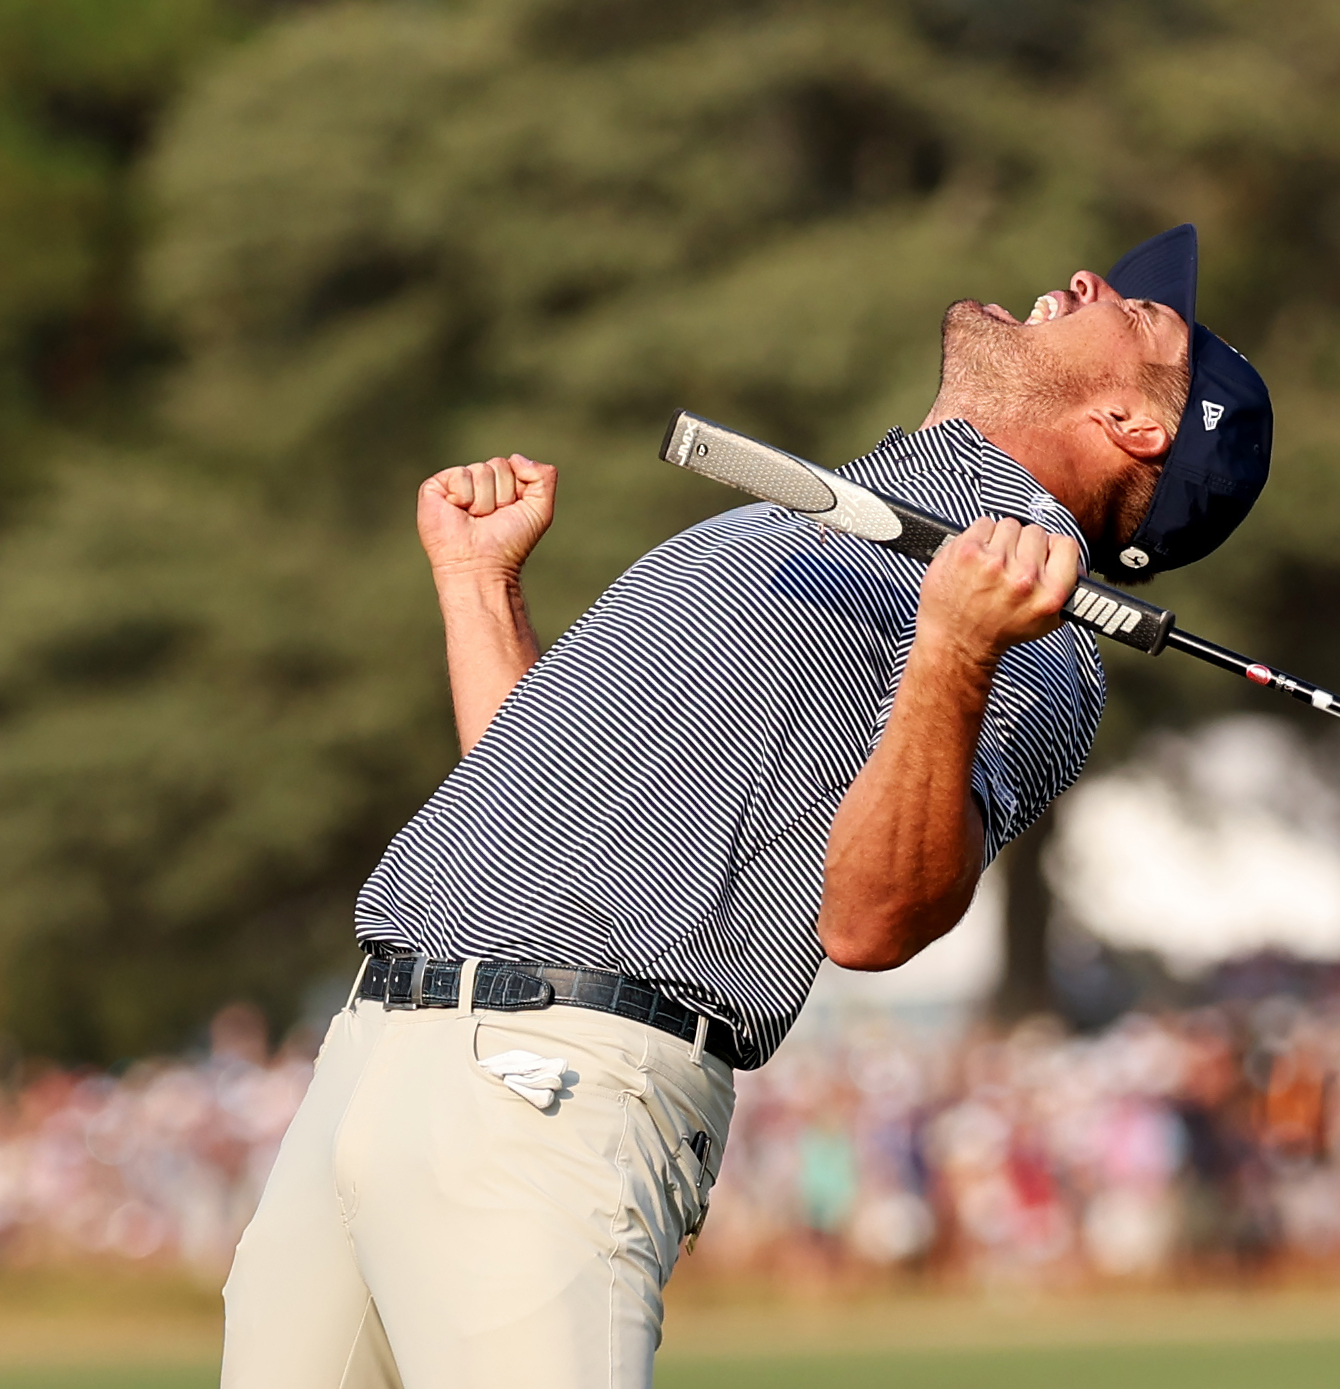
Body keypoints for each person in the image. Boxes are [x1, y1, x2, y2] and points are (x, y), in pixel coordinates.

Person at [219, 224, 1271, 1389]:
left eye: (1138, 316)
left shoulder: (1036, 647)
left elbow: (874, 925)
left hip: (554, 1089)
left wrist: (957, 650)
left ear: (1135, 428)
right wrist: (480, 590)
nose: (1088, 281)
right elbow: (540, 810)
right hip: (377, 1059)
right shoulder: (810, 520)